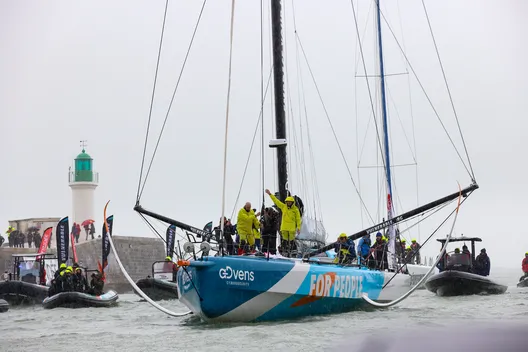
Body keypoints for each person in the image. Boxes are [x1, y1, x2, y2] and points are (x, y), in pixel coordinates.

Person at [265, 189, 302, 257]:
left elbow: (298, 219)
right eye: (287, 202)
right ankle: (284, 251)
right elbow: (276, 201)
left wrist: (299, 227)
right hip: (284, 227)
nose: (288, 203)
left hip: (291, 228)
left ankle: (293, 252)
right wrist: (270, 194)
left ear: (292, 202)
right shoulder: (283, 207)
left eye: (290, 202)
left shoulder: (295, 210)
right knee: (284, 240)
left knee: (291, 240)